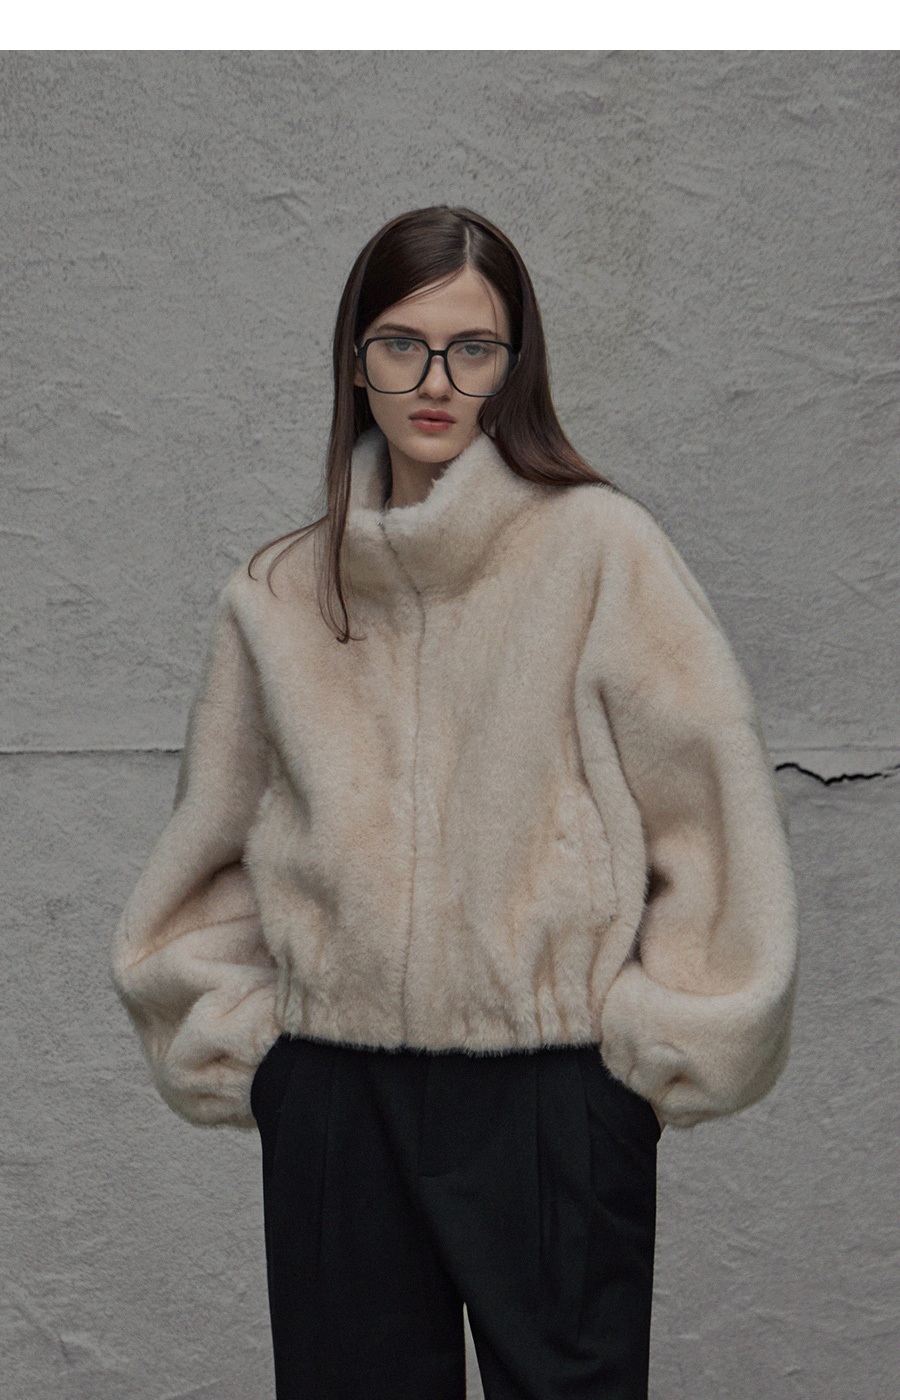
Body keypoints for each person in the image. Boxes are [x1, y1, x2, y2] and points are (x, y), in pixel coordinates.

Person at [111, 205, 799, 1400]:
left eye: (471, 347)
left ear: (513, 363)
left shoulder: (602, 549)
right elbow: (210, 849)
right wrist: (267, 1056)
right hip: (338, 1097)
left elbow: (710, 810)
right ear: (355, 359)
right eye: (401, 343)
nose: (435, 380)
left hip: (550, 1095)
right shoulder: (277, 591)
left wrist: (644, 1051)